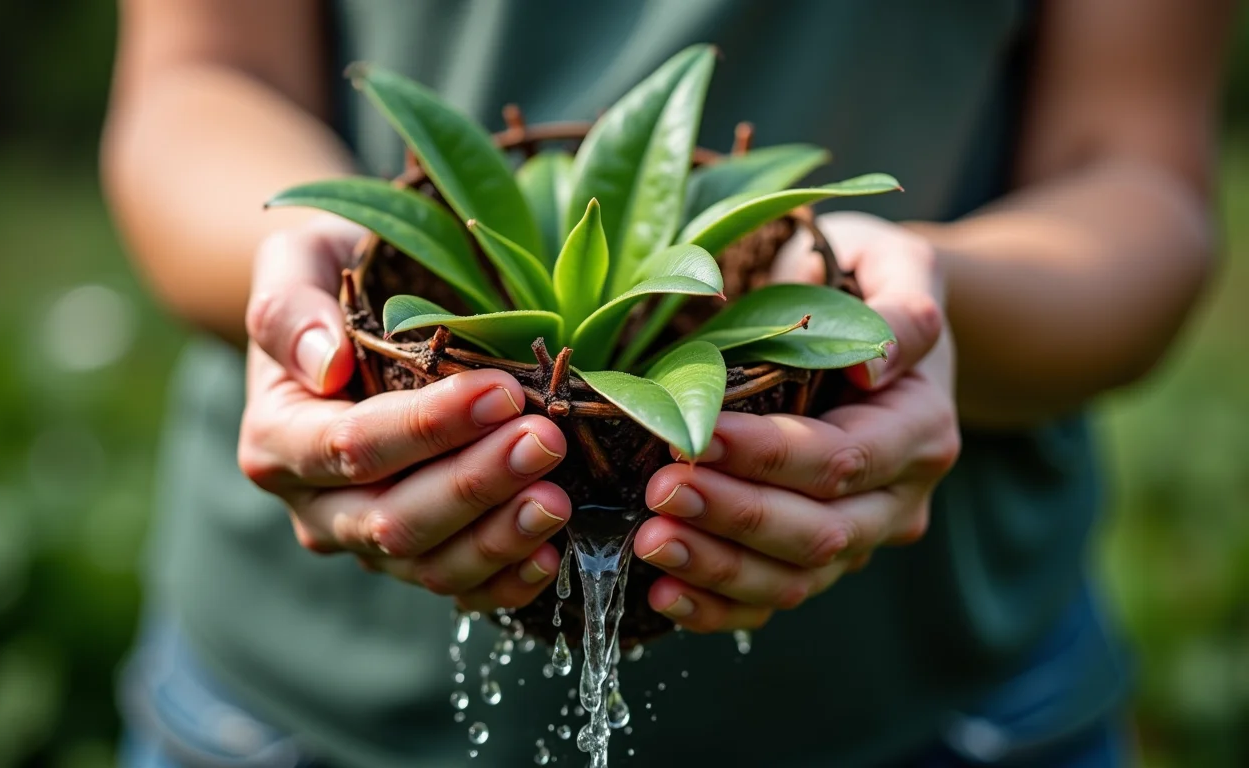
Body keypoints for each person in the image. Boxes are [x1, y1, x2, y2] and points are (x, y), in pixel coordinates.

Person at [101, 1, 1233, 766]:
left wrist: (917, 314)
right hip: (290, 711)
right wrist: (316, 293)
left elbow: (1137, 174)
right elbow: (198, 82)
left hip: (952, 702)